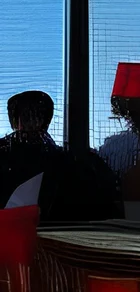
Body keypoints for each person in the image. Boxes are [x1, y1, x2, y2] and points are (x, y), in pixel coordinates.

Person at [1, 90, 120, 227]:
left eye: (35, 116)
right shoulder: (74, 162)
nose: (31, 124)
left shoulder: (72, 163)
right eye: (27, 116)